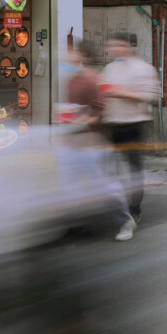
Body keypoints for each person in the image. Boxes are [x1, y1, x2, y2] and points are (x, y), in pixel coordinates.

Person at [62, 40, 133, 241]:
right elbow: (71, 108)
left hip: (93, 142)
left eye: (72, 52)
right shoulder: (72, 80)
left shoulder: (94, 80)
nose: (68, 56)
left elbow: (99, 111)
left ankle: (125, 221)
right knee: (70, 187)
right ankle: (73, 227)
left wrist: (83, 121)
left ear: (83, 56)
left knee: (105, 187)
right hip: (73, 142)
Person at [100, 33, 160, 228]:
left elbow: (151, 96)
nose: (114, 49)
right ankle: (117, 208)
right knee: (111, 170)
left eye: (118, 45)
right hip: (112, 123)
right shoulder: (110, 68)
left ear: (130, 46)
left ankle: (135, 209)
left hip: (134, 124)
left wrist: (119, 93)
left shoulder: (144, 69)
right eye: (112, 45)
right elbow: (101, 90)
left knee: (133, 171)